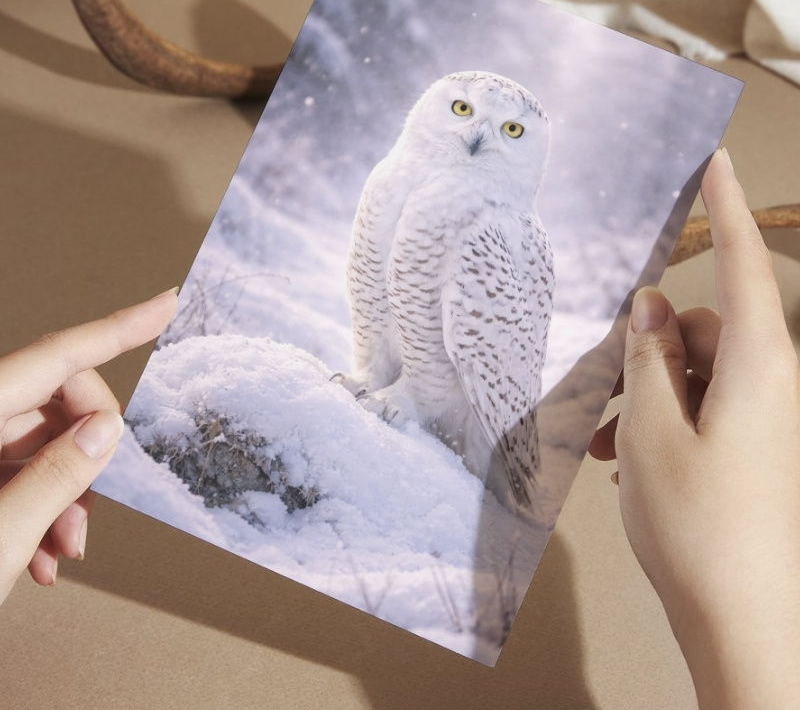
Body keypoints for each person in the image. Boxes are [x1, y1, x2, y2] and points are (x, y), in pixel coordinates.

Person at [0, 150, 797, 705]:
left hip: (458, 434)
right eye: (462, 113)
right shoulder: (401, 185)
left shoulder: (496, 224)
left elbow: (475, 373)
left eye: (511, 133)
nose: (483, 139)